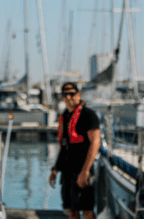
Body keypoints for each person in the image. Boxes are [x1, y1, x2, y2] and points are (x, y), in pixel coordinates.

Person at [49, 82, 100, 219]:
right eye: (65, 94)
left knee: (87, 210)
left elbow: (95, 142)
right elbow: (65, 146)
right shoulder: (65, 116)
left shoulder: (88, 115)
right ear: (62, 97)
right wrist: (55, 169)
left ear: (79, 95)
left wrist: (85, 170)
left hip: (83, 169)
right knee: (71, 210)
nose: (69, 97)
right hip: (67, 172)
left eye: (72, 94)